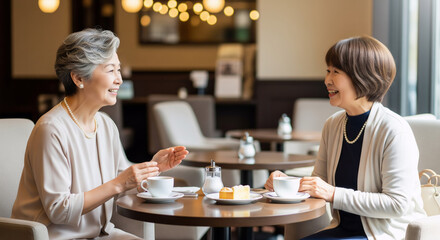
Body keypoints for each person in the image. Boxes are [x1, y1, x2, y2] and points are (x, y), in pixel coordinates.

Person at [11, 28, 189, 239]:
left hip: (101, 234)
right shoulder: (51, 130)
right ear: (78, 78)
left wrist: (154, 168)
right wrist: (119, 182)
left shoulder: (105, 124)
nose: (119, 80)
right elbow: (59, 210)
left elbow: (124, 185)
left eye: (119, 70)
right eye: (110, 70)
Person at [265, 36, 426, 240]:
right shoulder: (333, 125)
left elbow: (397, 204)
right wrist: (286, 183)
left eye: (336, 72)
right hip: (343, 230)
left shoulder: (393, 130)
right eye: (328, 71)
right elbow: (320, 184)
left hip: (385, 235)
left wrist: (334, 194)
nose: (327, 80)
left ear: (362, 77)